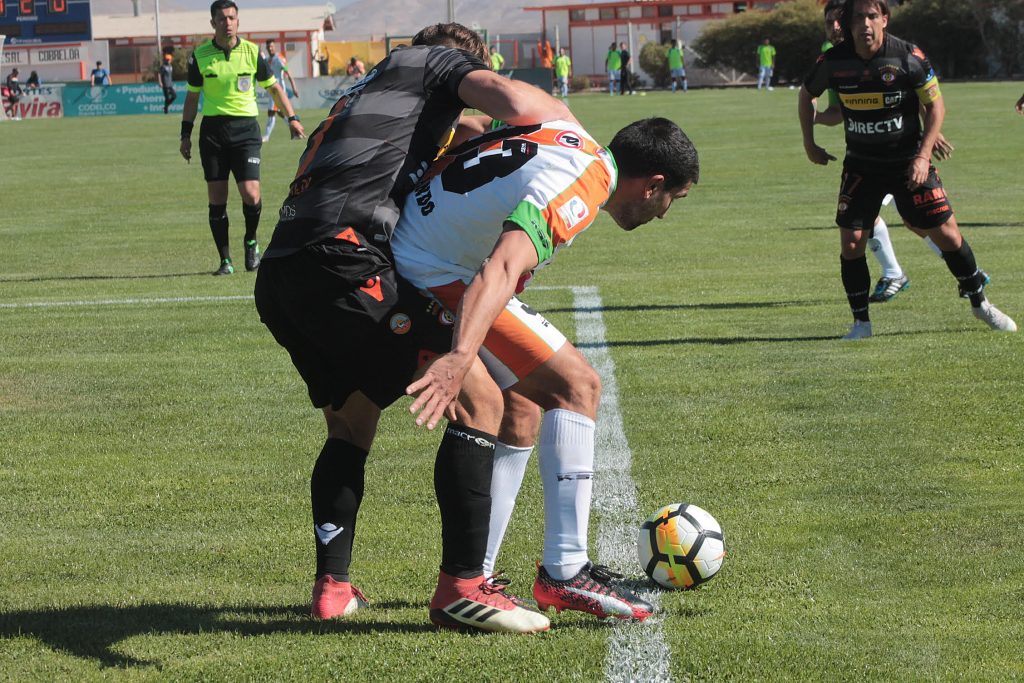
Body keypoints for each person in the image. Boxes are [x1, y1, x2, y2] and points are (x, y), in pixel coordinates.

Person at [254, 22, 573, 633]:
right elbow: (517, 105)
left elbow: (461, 132)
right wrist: (572, 138)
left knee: (352, 420)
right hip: (347, 259)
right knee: (484, 398)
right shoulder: (434, 64)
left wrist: (469, 132)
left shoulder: (372, 89)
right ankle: (463, 589)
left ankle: (333, 587)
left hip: (283, 271)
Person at [395, 117, 699, 621]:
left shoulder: (570, 137)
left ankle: (476, 576)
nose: (665, 214)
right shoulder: (587, 185)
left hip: (425, 253)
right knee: (578, 385)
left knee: (521, 408)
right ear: (653, 186)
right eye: (673, 201)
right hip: (434, 270)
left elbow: (476, 122)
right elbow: (502, 267)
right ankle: (565, 571)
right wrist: (460, 357)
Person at [798, 0, 1016, 339]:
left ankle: (980, 303)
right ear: (848, 23)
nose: (866, 24)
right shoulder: (833, 61)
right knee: (852, 241)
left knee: (948, 236)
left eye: (872, 16)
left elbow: (935, 104)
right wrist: (809, 143)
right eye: (859, 17)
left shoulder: (908, 56)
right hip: (861, 165)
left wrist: (923, 155)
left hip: (908, 162)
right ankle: (861, 324)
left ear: (884, 19)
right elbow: (805, 94)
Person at [812, 0, 979, 304]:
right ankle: (908, 272)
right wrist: (812, 121)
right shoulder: (833, 59)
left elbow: (899, 89)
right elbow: (839, 110)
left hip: (903, 154)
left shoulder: (885, 49)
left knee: (909, 221)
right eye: (829, 24)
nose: (835, 29)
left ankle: (942, 272)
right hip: (864, 157)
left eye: (838, 22)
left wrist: (930, 132)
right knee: (878, 222)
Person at [179, 0, 305, 276]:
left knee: (250, 193)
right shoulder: (199, 56)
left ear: (238, 21)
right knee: (217, 199)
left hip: (246, 131)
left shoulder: (251, 52)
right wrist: (185, 134)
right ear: (213, 23)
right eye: (222, 18)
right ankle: (225, 260)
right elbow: (191, 97)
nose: (228, 22)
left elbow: (274, 89)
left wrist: (292, 118)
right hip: (212, 132)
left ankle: (251, 241)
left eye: (232, 17)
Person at [262, 40, 299, 142]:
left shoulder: (279, 59)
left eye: (272, 46)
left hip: (278, 90)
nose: (270, 48)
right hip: (271, 88)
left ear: (275, 47)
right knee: (281, 113)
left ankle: (266, 136)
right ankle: (296, 131)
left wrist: (294, 88)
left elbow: (288, 73)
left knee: (271, 112)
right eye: (268, 47)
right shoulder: (269, 59)